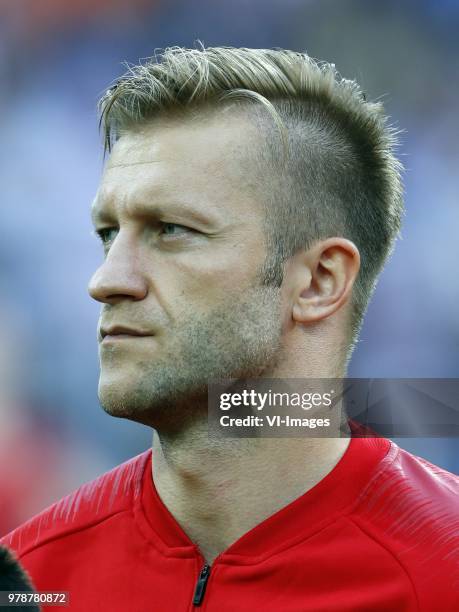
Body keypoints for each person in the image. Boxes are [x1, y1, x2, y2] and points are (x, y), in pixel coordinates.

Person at [1, 45, 457, 611]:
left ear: (318, 281)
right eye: (108, 233)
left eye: (171, 229)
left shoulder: (443, 570)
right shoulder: (32, 579)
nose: (106, 279)